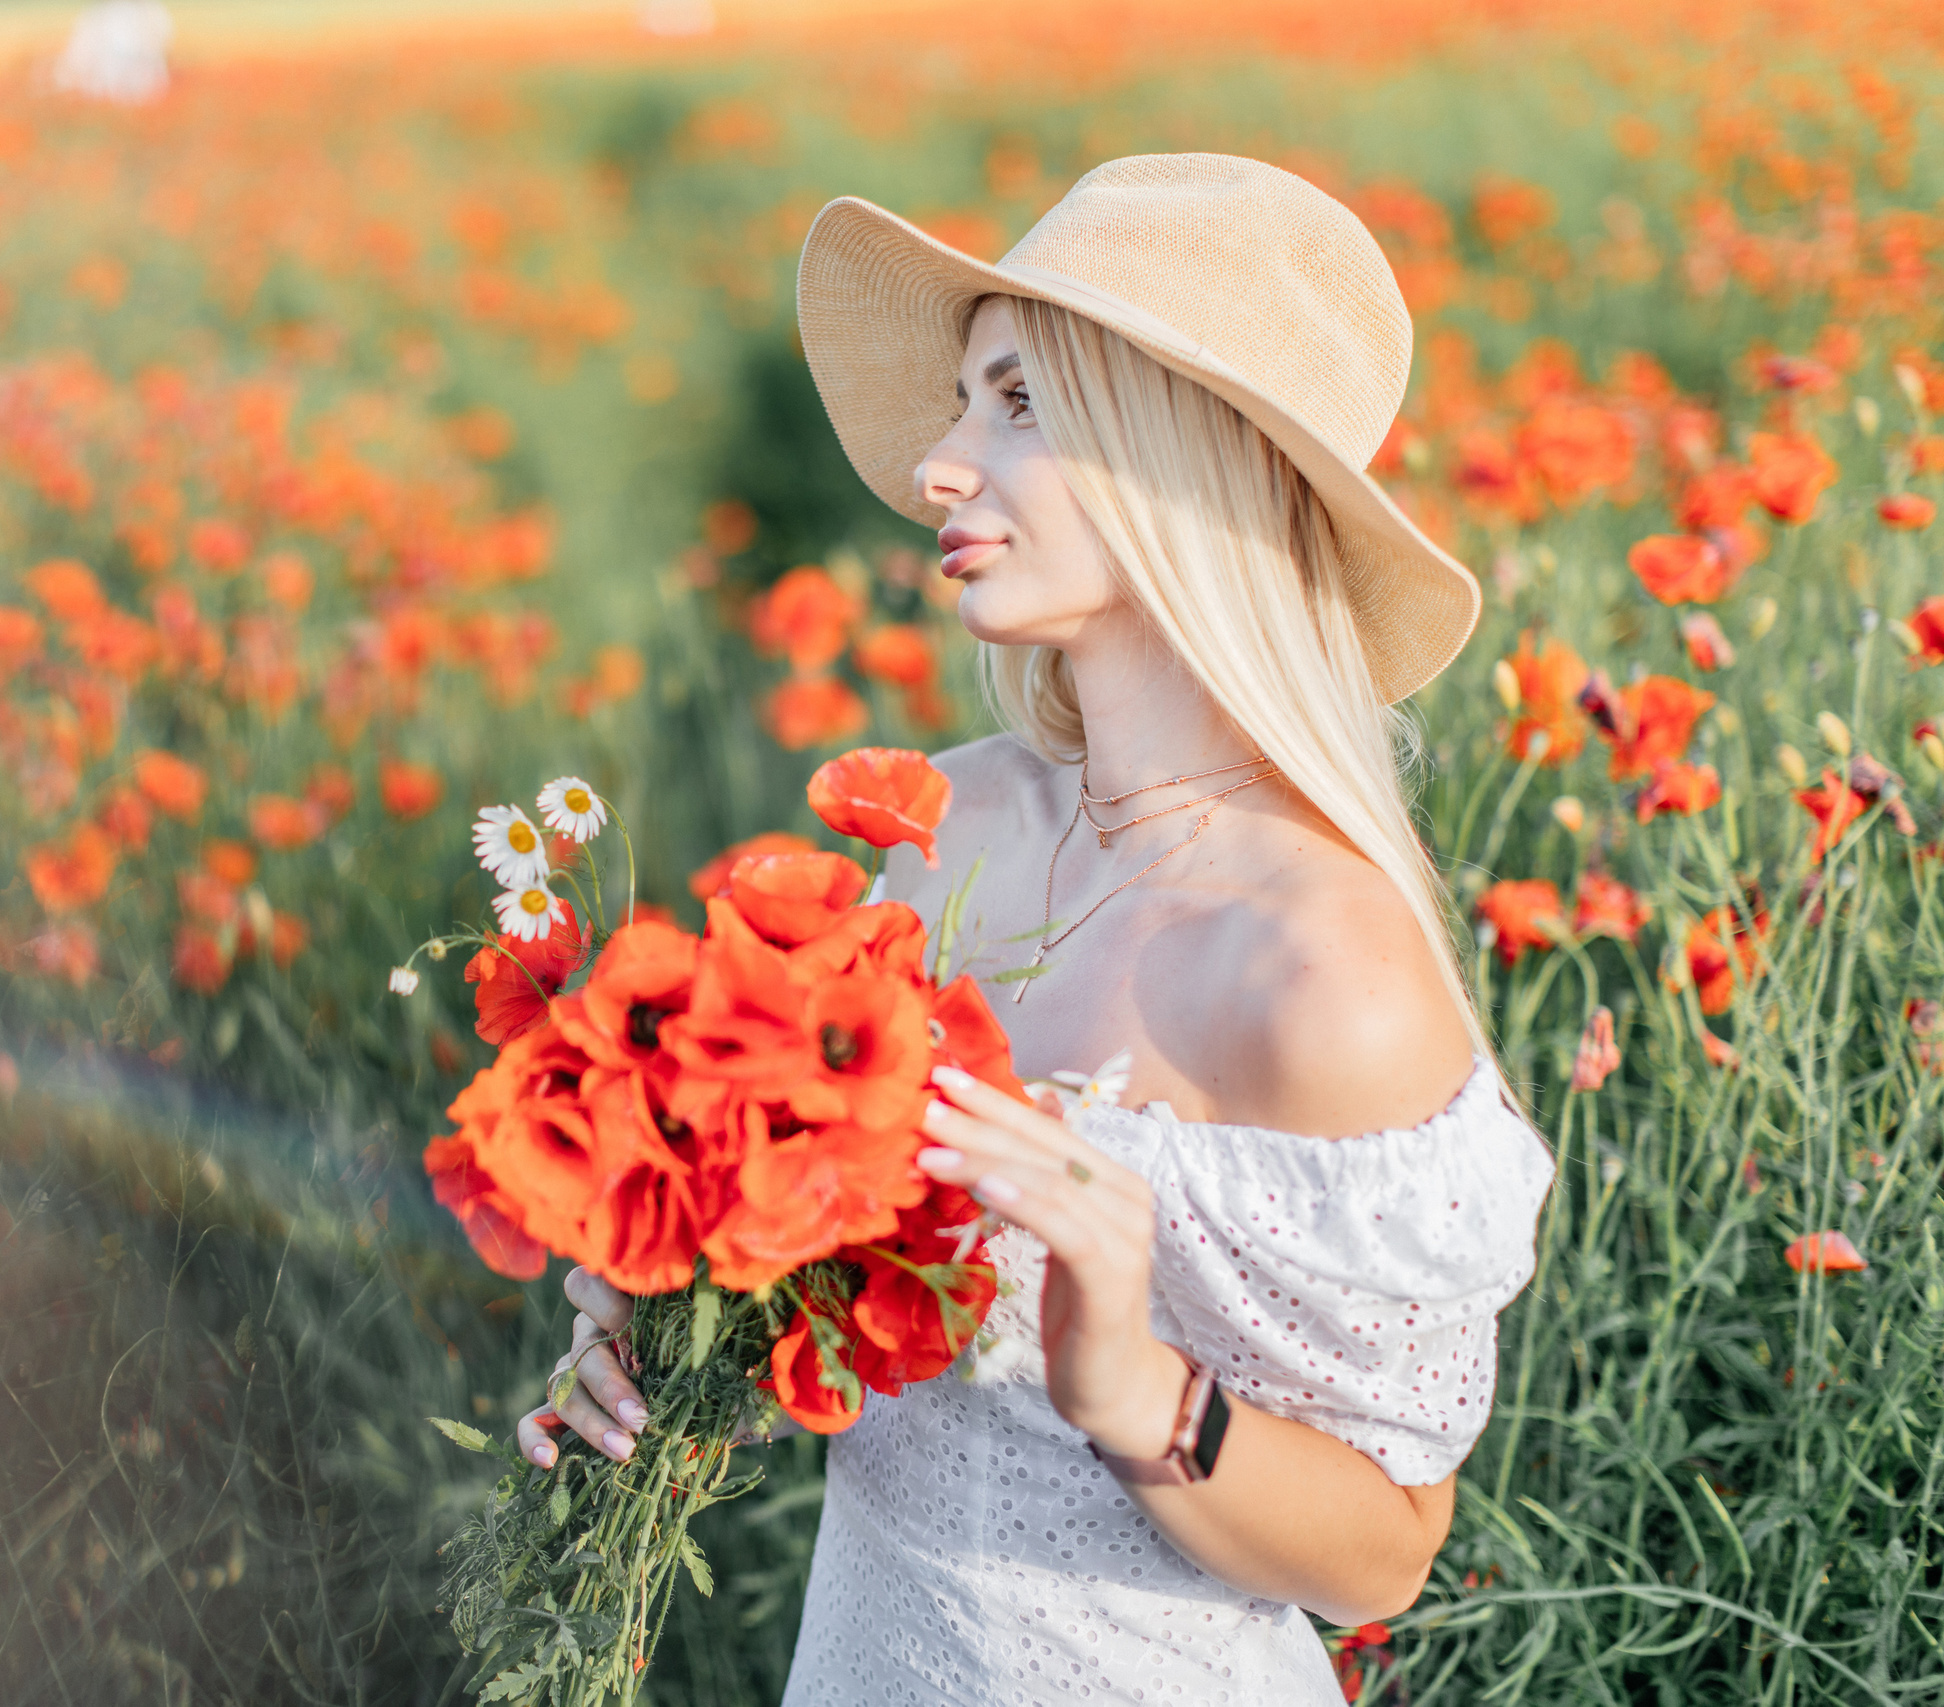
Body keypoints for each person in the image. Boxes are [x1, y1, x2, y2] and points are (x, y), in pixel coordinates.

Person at [516, 153, 1556, 1701]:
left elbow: (1387, 1553)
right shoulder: (950, 832)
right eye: (962, 405)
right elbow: (852, 1319)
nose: (940, 467)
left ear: (1185, 459)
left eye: (1016, 404)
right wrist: (674, 1328)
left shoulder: (1323, 971)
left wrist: (1134, 1388)